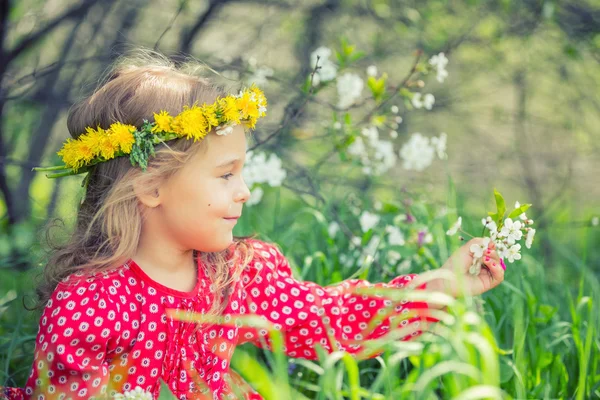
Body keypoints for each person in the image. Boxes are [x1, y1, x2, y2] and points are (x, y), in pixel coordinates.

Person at [1, 49, 505, 400]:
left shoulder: (236, 274)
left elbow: (332, 318)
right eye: (225, 175)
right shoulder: (89, 307)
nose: (244, 191)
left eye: (241, 172)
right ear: (150, 187)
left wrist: (443, 285)